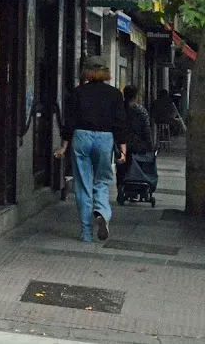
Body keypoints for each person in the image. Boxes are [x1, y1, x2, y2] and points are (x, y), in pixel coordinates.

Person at [55, 56, 127, 242]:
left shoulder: (78, 93)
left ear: (86, 72)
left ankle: (86, 233)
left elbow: (69, 122)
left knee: (83, 185)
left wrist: (64, 146)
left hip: (81, 137)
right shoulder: (115, 94)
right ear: (106, 72)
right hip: (105, 139)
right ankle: (102, 211)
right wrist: (123, 149)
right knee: (102, 181)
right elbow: (120, 123)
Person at [123, 85, 154, 155]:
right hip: (137, 146)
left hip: (121, 145)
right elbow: (146, 130)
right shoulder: (141, 111)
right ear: (135, 96)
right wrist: (150, 148)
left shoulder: (119, 109)